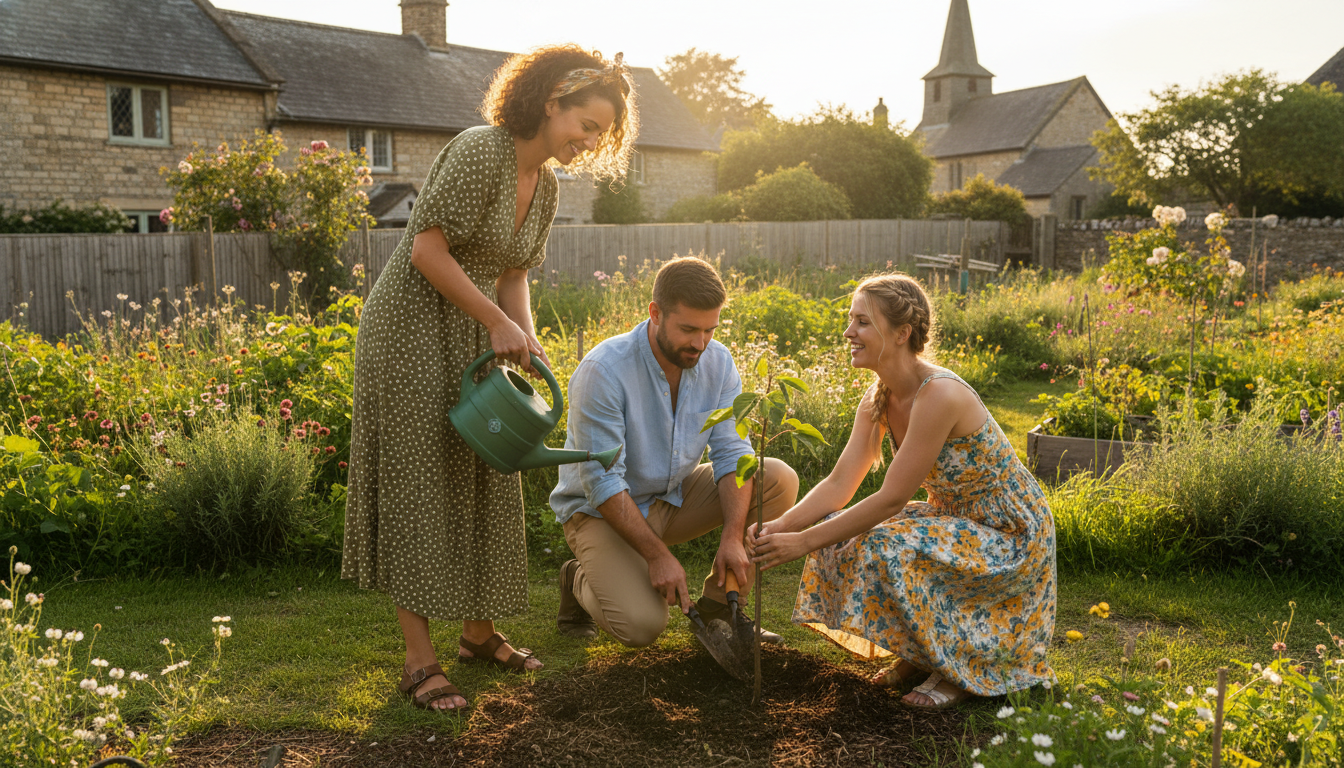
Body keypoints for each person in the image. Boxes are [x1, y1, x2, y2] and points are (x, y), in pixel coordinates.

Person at [341, 46, 638, 712]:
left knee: (487, 471)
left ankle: (478, 635)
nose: (590, 141)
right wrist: (496, 322)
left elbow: (513, 275)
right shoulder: (481, 150)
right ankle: (419, 661)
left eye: (601, 134)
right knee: (420, 481)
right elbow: (426, 250)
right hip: (411, 327)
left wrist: (524, 337)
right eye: (586, 125)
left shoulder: (548, 185)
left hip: (475, 329)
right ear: (552, 101)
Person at [748, 273, 1056, 709]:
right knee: (840, 532)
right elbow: (839, 483)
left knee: (887, 544)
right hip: (953, 516)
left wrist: (802, 542)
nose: (848, 332)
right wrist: (780, 527)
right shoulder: (879, 397)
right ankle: (920, 654)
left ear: (901, 333)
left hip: (1010, 532)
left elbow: (892, 498)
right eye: (851, 320)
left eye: (862, 322)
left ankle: (958, 672)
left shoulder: (940, 394)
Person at [550, 256, 800, 647]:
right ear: (655, 313)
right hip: (600, 512)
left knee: (778, 480)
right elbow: (602, 481)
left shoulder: (718, 363)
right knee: (641, 626)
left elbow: (733, 452)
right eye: (688, 329)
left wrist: (733, 536)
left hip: (671, 498)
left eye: (710, 330)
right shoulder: (604, 370)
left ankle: (719, 608)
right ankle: (576, 577)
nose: (700, 343)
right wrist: (657, 556)